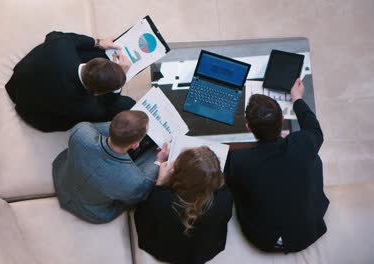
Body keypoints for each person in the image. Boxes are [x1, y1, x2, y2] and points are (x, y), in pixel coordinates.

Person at [225, 78, 330, 253]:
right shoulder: (302, 143)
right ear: (281, 119)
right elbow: (314, 128)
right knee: (312, 157)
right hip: (307, 232)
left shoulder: (238, 160)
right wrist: (297, 98)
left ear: (248, 127)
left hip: (262, 238)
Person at [52, 110, 169, 223]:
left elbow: (99, 128)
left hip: (62, 180)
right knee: (157, 156)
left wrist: (124, 127)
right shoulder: (133, 182)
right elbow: (138, 197)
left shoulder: (80, 132)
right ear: (135, 144)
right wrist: (159, 161)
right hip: (93, 212)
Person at [5, 31, 136, 132]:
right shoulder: (85, 106)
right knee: (127, 105)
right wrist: (118, 84)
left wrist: (98, 42)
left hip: (20, 81)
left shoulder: (60, 45)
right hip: (33, 111)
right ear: (95, 94)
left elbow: (54, 34)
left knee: (98, 49)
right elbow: (105, 107)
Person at [135, 147, 233, 264]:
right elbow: (225, 219)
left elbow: (142, 217)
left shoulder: (161, 199)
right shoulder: (224, 198)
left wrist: (160, 183)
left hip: (164, 250)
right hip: (202, 252)